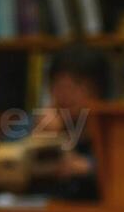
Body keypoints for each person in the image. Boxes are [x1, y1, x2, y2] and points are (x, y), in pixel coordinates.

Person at [33, 44, 107, 201]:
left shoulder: (114, 131)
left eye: (77, 84)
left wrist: (88, 168)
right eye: (58, 84)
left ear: (98, 90)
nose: (65, 93)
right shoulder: (38, 123)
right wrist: (38, 141)